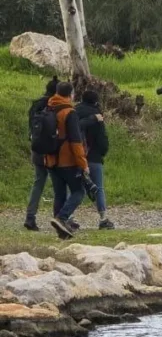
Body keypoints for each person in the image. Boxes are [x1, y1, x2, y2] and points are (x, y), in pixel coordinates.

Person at [43, 82, 89, 239]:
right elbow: (76, 142)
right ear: (71, 94)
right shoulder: (69, 112)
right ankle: (62, 218)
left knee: (59, 194)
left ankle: (61, 231)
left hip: (50, 159)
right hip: (67, 160)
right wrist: (83, 164)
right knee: (78, 191)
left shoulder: (48, 108)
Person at [75, 90, 114, 230]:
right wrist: (103, 152)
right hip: (94, 156)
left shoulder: (75, 112)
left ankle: (69, 217)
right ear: (96, 101)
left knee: (75, 188)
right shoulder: (97, 115)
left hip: (76, 155)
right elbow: (102, 138)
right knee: (98, 188)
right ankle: (103, 218)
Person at [24, 76, 58, 231]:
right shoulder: (53, 106)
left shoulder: (35, 105)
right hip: (51, 151)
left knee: (38, 182)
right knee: (59, 184)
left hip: (36, 148)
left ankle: (30, 217)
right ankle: (62, 217)